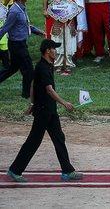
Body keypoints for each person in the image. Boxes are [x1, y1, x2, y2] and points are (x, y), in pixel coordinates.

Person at [7, 39, 83, 183]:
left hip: (49, 110)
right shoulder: (42, 67)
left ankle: (67, 171)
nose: (56, 51)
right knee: (33, 141)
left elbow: (33, 85)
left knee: (59, 138)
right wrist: (64, 103)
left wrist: (31, 102)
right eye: (54, 49)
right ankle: (15, 170)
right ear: (48, 51)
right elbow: (49, 89)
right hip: (44, 112)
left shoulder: (47, 65)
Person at [0, 0, 44, 98]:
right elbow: (5, 28)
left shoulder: (22, 8)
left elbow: (25, 25)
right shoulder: (14, 11)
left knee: (13, 68)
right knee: (28, 70)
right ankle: (26, 94)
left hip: (20, 44)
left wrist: (39, 32)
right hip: (17, 45)